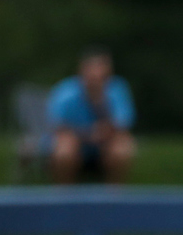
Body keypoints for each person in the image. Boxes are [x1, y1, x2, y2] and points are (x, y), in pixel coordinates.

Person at [46, 48, 136, 184]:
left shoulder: (117, 89)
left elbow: (123, 123)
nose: (97, 74)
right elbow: (56, 126)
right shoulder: (65, 92)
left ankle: (114, 196)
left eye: (101, 68)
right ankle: (63, 195)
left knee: (123, 145)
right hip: (75, 142)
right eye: (92, 68)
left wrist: (103, 131)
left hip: (106, 144)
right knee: (64, 146)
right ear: (82, 70)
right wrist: (88, 134)